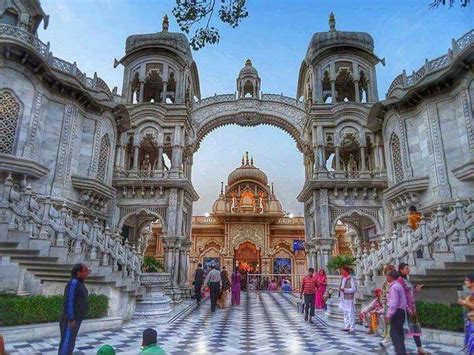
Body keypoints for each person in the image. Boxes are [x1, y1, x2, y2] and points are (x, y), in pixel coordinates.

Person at [58, 263, 90, 355]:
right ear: (78, 272)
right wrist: (71, 318)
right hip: (70, 320)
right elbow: (69, 301)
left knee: (70, 342)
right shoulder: (74, 283)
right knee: (66, 343)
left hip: (76, 319)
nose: (87, 273)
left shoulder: (79, 283)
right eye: (85, 271)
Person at [398, 263, 428, 354]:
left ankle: (419, 348)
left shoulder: (406, 279)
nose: (408, 270)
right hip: (405, 309)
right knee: (404, 329)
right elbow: (401, 295)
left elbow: (409, 293)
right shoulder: (400, 280)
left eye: (408, 268)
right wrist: (407, 308)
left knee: (415, 328)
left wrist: (415, 289)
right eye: (406, 269)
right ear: (401, 270)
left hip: (412, 308)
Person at [386, 270, 407, 355]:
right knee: (399, 333)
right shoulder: (398, 286)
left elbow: (394, 303)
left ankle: (400, 352)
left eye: (387, 276)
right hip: (401, 312)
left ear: (391, 277)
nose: (386, 277)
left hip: (396, 312)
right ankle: (402, 351)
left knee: (395, 334)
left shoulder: (394, 287)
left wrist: (389, 314)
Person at [380, 264, 396, 349]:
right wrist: (383, 300)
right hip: (387, 304)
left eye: (388, 272)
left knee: (392, 321)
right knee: (387, 320)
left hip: (393, 305)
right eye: (386, 272)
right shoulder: (385, 282)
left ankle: (389, 337)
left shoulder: (396, 282)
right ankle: (387, 335)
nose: (387, 275)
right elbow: (383, 292)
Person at [458, 273, 474, 354]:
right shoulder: (471, 293)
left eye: (467, 280)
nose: (465, 282)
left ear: (473, 282)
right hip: (470, 324)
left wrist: (464, 302)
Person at [338, 266, 357, 334]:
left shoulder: (351, 279)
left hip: (348, 298)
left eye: (343, 270)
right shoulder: (343, 278)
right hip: (343, 297)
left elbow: (354, 289)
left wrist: (345, 290)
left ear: (346, 271)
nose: (341, 272)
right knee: (345, 312)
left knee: (350, 313)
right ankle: (346, 326)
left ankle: (352, 328)